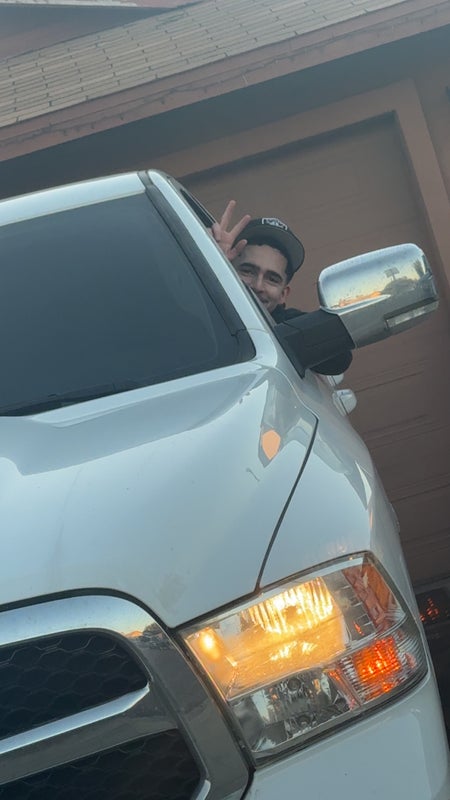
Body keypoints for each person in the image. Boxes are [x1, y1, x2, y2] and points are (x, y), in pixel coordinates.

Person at [211, 201, 353, 375]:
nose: (257, 286)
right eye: (247, 271)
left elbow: (340, 358)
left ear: (283, 294)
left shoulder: (289, 326)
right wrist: (211, 268)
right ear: (227, 269)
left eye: (272, 279)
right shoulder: (199, 309)